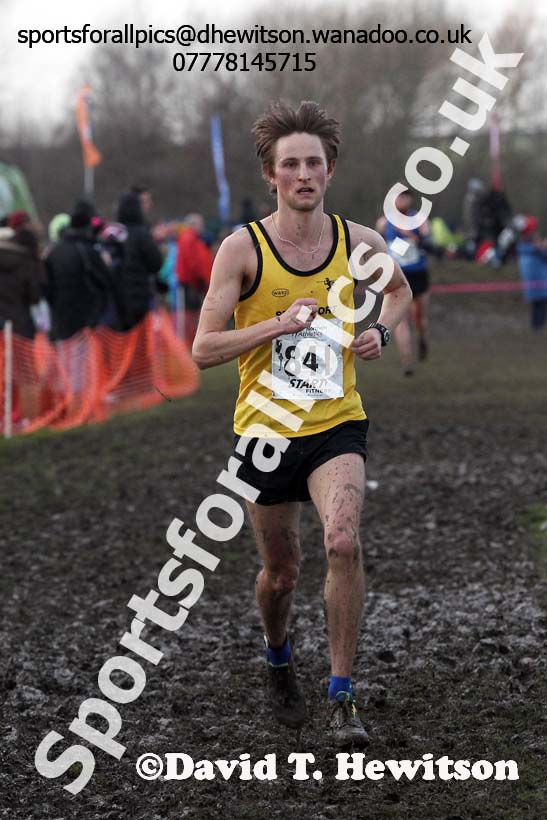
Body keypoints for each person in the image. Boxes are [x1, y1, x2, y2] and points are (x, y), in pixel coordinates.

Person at [192, 100, 411, 747]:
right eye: (290, 164)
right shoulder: (242, 249)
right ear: (271, 174)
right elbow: (202, 349)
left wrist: (378, 331)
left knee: (342, 541)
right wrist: (275, 325)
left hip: (336, 425)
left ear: (330, 169)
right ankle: (278, 652)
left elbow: (398, 292)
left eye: (314, 162)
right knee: (280, 575)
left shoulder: (359, 244)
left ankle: (342, 695)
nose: (303, 174)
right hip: (264, 435)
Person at [44, 199, 113, 340]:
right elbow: (105, 281)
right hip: (85, 321)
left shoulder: (54, 252)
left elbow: (45, 286)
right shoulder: (87, 250)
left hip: (60, 320)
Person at [384, 191, 432, 375]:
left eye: (405, 196)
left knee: (419, 318)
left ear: (411, 199)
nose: (402, 200)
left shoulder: (419, 220)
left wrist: (414, 236)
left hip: (418, 273)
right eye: (398, 196)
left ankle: (422, 336)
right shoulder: (384, 222)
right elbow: (379, 246)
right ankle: (407, 359)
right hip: (397, 275)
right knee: (401, 319)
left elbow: (429, 243)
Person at [116, 191, 163, 330]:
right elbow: (156, 262)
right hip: (140, 296)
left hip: (118, 297)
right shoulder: (142, 234)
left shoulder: (115, 233)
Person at [176, 213, 214, 343]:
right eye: (200, 224)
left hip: (192, 281)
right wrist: (200, 279)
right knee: (192, 312)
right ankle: (190, 340)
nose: (202, 227)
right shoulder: (189, 238)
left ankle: (191, 339)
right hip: (191, 282)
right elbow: (193, 262)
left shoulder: (191, 238)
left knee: (193, 311)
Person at [515, 216, 547, 331]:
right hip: (541, 284)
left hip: (530, 285)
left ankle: (536, 328)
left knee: (537, 307)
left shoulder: (522, 248)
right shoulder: (535, 249)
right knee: (541, 307)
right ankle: (538, 329)